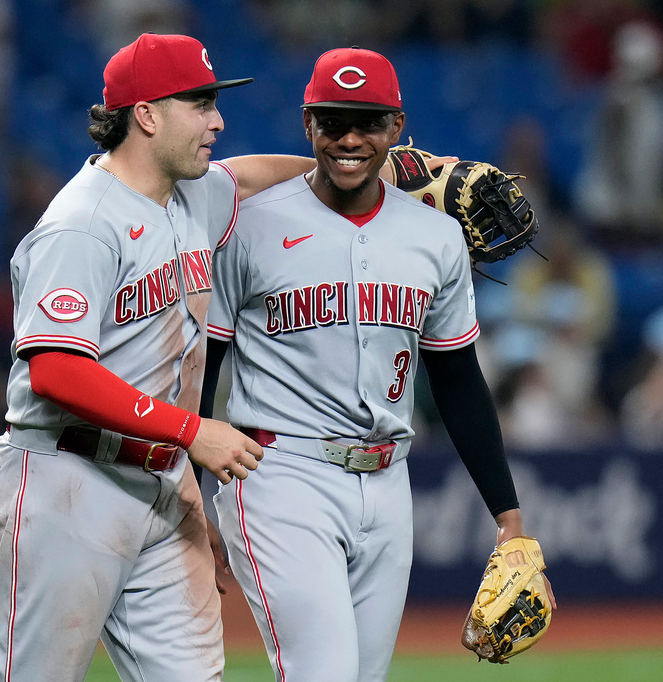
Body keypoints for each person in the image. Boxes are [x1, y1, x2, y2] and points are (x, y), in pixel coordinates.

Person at [202, 47, 556, 682]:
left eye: (367, 121)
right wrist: (191, 491)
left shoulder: (436, 236)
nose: (349, 138)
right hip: (281, 474)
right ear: (307, 123)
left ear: (396, 128)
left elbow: (457, 378)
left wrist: (510, 519)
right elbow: (207, 364)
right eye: (333, 121)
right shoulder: (251, 223)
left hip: (389, 484)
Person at [0, 33, 319, 682]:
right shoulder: (81, 224)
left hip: (160, 481)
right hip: (67, 479)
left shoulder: (191, 195)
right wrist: (192, 431)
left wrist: (390, 173)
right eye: (200, 104)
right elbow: (57, 371)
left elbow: (246, 176)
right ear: (146, 114)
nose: (217, 120)